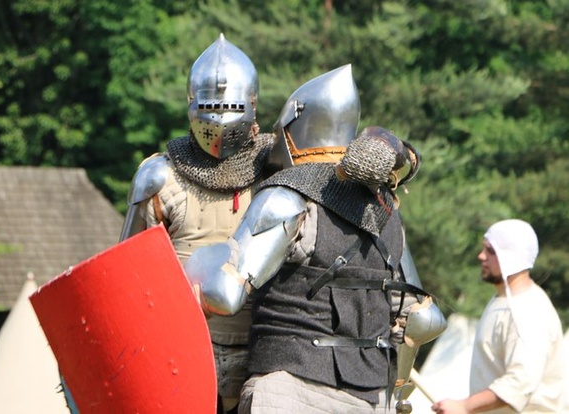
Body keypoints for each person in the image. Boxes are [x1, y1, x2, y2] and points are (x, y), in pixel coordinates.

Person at [185, 64, 446, 414]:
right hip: (367, 397)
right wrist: (395, 388)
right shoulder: (387, 212)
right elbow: (423, 319)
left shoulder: (287, 195)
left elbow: (225, 293)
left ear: (293, 127)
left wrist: (188, 271)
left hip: (288, 391)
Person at [119, 33, 275, 414]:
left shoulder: (276, 170)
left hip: (261, 359)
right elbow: (128, 275)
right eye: (209, 107)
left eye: (233, 107)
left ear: (253, 107)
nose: (220, 122)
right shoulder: (159, 176)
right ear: (192, 105)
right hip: (182, 354)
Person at [431, 219, 565, 414]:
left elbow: (520, 383)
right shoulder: (502, 300)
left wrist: (465, 406)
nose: (481, 256)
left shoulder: (528, 310)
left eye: (491, 251)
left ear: (513, 257)